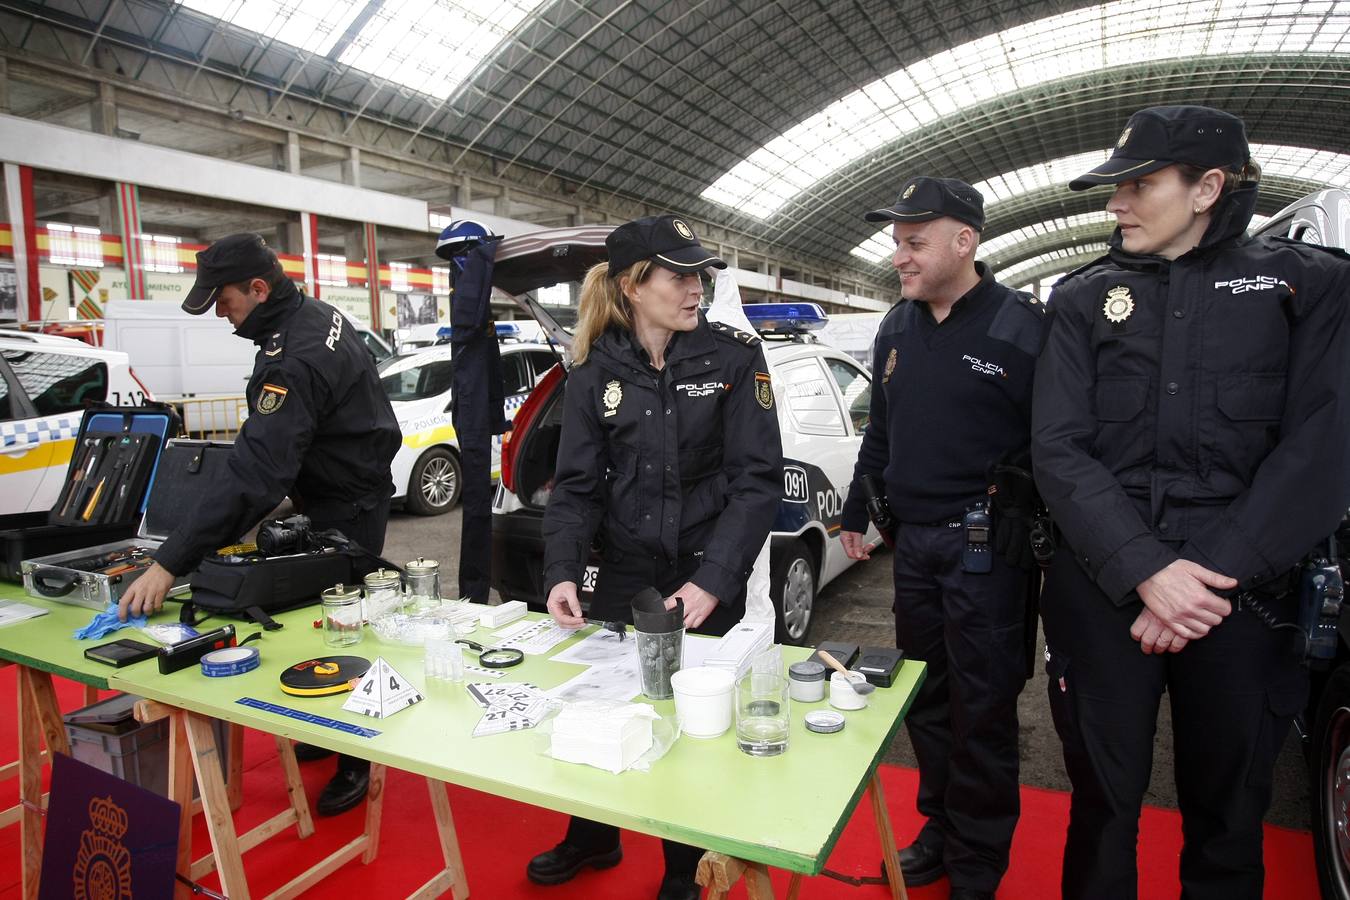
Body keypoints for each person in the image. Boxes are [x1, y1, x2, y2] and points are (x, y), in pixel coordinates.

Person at [1033, 105, 1350, 899]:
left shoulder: (1309, 286)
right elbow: (1058, 448)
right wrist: (1146, 570)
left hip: (1241, 601)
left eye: (1140, 185)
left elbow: (1323, 448)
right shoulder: (1082, 298)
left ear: (1208, 186)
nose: (1117, 204)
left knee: (1230, 819)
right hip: (1107, 590)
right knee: (1102, 810)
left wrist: (1204, 574)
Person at [533, 215, 783, 900]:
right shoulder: (593, 368)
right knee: (600, 703)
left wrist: (714, 580)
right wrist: (560, 569)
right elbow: (577, 486)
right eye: (678, 274)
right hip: (622, 574)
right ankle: (593, 837)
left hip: (704, 573)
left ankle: (683, 866)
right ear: (632, 286)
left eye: (700, 272)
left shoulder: (733, 358)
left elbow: (758, 481)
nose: (695, 286)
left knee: (690, 722)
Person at [117, 232, 401, 818]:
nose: (221, 313)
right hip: (342, 488)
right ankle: (329, 733)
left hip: (345, 505)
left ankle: (358, 758)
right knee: (319, 625)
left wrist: (171, 561)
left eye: (223, 300)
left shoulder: (291, 358)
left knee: (343, 626)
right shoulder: (309, 313)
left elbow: (257, 473)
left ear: (259, 287)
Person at [839, 177, 1047, 900]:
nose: (900, 255)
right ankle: (939, 828)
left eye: (914, 241)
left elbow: (1055, 448)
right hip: (915, 549)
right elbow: (884, 431)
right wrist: (857, 510)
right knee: (925, 697)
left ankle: (978, 864)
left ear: (966, 241)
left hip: (987, 549)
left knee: (983, 708)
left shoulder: (1023, 327)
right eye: (897, 242)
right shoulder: (897, 326)